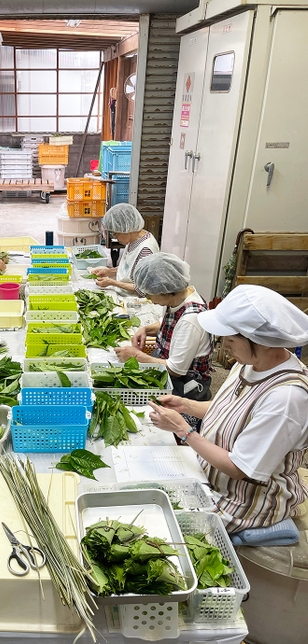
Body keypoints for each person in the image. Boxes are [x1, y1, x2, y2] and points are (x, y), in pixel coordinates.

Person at [148, 284, 308, 534]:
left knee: (160, 525)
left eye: (231, 340)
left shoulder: (286, 398)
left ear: (263, 342)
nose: (225, 346)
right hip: (212, 475)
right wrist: (186, 405)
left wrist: (184, 431)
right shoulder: (250, 363)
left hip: (246, 500)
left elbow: (240, 468)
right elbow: (231, 410)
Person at [115, 252, 214, 402]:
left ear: (165, 291)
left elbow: (176, 369)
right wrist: (146, 329)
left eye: (149, 294)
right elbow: (170, 322)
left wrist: (136, 356)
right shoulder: (181, 297)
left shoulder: (191, 320)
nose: (148, 298)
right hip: (166, 365)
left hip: (186, 386)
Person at [90, 203, 159, 296]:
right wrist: (109, 272)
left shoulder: (145, 250)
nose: (115, 238)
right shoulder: (133, 239)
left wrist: (112, 282)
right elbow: (130, 269)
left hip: (134, 300)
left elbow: (143, 289)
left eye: (116, 234)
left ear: (128, 229)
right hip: (122, 292)